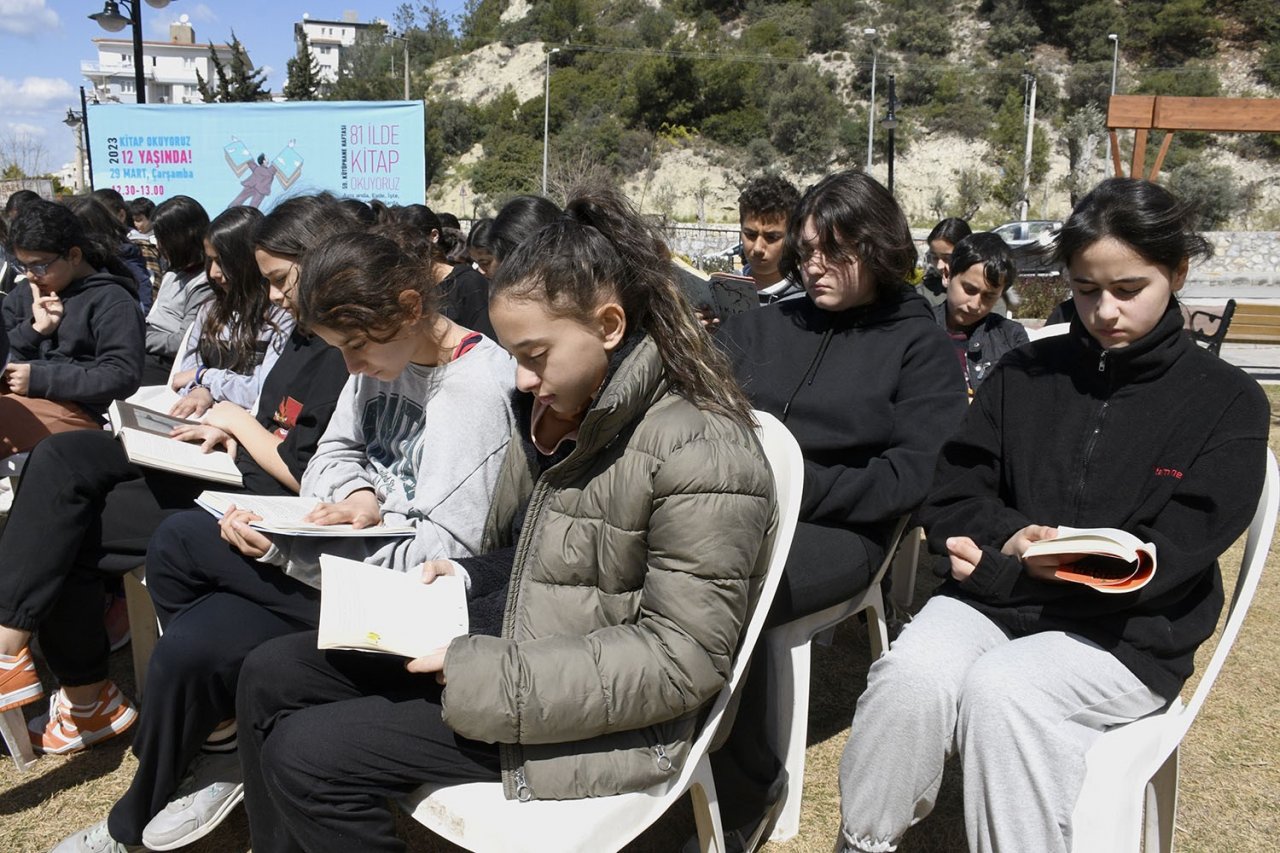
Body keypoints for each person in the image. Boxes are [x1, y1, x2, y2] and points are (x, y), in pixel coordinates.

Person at [230, 188, 776, 853]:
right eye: (514, 355)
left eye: (535, 355)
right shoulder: (585, 410)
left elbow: (680, 660)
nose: (518, 379)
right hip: (526, 653)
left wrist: (487, 673)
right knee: (268, 672)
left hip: (594, 716)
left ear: (608, 325)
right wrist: (462, 575)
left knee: (307, 752)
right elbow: (545, 558)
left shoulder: (702, 449)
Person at [45, 193, 515, 853]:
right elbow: (331, 454)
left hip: (391, 604)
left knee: (197, 610)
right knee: (190, 619)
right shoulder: (383, 352)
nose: (350, 369)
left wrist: (289, 552)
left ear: (410, 308)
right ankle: (188, 777)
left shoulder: (472, 393)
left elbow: (439, 561)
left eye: (354, 348)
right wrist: (356, 493)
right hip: (347, 567)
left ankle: (176, 784)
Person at [837, 177, 1270, 853]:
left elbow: (1167, 557)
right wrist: (1006, 533)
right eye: (1085, 288)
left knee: (1006, 693)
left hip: (1126, 633)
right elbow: (953, 490)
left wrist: (1012, 571)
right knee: (908, 678)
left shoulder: (1228, 402)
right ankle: (863, 842)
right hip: (996, 601)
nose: (1104, 310)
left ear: (1177, 271)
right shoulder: (1026, 371)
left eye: (1128, 289)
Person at [0, 202, 349, 768]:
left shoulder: (346, 350)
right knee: (62, 460)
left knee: (67, 524)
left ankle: (83, 697)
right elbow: (268, 414)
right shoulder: (303, 334)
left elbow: (309, 469)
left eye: (280, 281)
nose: (277, 297)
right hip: (225, 458)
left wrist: (233, 419)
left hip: (247, 495)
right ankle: (20, 655)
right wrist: (227, 419)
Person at [711, 170, 969, 850]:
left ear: (878, 249)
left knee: (735, 582)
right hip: (735, 506)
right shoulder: (765, 325)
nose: (815, 266)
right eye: (807, 250)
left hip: (843, 528)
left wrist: (800, 488)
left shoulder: (919, 345)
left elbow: (914, 474)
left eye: (835, 252)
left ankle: (746, 781)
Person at [0, 200, 145, 459]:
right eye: (24, 266)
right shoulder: (24, 294)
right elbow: (4, 352)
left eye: (40, 266)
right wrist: (35, 330)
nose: (31, 275)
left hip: (80, 411)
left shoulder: (111, 299)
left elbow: (122, 375)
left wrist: (39, 378)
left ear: (74, 255)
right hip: (18, 399)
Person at [164, 207, 292, 419]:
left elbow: (262, 390)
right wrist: (199, 390)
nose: (213, 273)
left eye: (222, 262)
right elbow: (183, 373)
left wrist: (204, 377)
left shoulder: (280, 316)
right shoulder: (210, 310)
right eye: (210, 261)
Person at [933, 232, 1030, 397]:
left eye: (989, 296)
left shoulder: (1011, 337)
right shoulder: (921, 329)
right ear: (947, 275)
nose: (975, 305)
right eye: (969, 290)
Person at [143, 196, 214, 384]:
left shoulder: (205, 282)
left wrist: (140, 338)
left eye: (162, 239)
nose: (158, 246)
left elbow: (183, 342)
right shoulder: (176, 270)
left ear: (182, 238)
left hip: (165, 360)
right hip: (149, 343)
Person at [737, 174, 804, 304]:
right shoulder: (723, 287)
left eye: (771, 237)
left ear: (793, 236)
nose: (758, 248)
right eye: (750, 235)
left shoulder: (808, 300)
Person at [920, 217, 972, 306]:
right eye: (935, 257)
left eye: (948, 258)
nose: (940, 266)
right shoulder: (923, 292)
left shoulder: (985, 292)